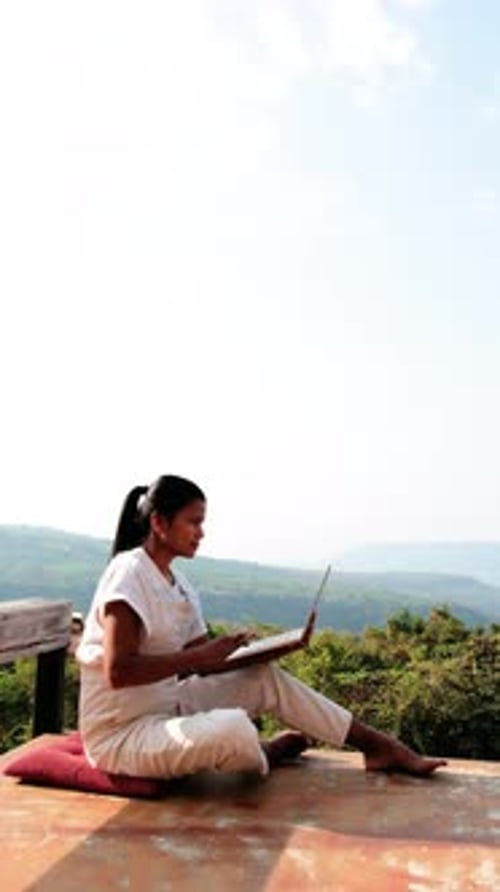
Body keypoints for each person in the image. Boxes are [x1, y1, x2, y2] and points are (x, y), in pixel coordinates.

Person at [77, 475, 446, 780]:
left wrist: (279, 647)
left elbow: (209, 664)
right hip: (122, 735)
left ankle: (379, 746)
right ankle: (265, 753)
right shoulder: (128, 573)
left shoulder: (180, 586)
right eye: (193, 521)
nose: (201, 532)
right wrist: (196, 656)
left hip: (168, 708)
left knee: (262, 677)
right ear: (159, 522)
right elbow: (118, 671)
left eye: (202, 522)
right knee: (234, 729)